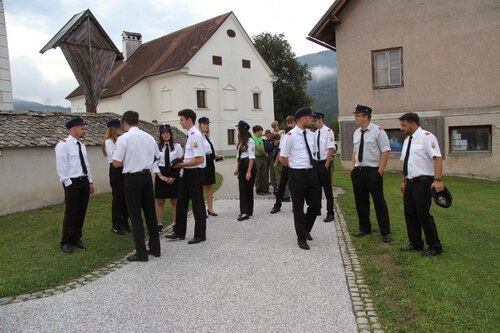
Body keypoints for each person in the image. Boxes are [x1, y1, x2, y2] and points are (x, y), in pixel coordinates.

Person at [113, 110, 161, 262]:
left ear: (125, 123)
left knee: (135, 215)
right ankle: (155, 248)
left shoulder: (123, 139)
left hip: (132, 179)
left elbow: (116, 162)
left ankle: (141, 252)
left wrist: (128, 160)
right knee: (150, 213)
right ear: (138, 122)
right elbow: (158, 156)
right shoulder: (148, 137)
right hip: (146, 177)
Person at [399, 112, 444, 256]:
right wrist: (403, 181)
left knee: (423, 214)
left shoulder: (426, 137)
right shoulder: (407, 141)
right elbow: (407, 163)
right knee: (409, 213)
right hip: (410, 182)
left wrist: (437, 180)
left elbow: (437, 158)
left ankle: (435, 246)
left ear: (413, 124)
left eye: (404, 125)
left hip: (423, 181)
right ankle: (416, 243)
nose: (401, 128)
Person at [279, 107, 321, 250]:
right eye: (310, 117)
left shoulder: (311, 134)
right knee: (298, 207)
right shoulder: (290, 135)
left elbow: (314, 152)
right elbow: (282, 158)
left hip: (311, 172)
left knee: (315, 205)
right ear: (303, 119)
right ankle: (301, 238)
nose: (312, 120)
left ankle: (305, 228)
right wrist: (294, 166)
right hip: (297, 174)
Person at [351, 104, 392, 243]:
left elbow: (385, 151)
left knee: (379, 201)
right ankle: (364, 228)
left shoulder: (378, 131)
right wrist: (354, 167)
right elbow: (355, 152)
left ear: (366, 116)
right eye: (355, 115)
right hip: (359, 171)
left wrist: (379, 172)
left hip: (373, 171)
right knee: (361, 201)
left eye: (358, 115)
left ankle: (385, 231)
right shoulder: (356, 132)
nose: (355, 117)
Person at [165, 109, 207, 244]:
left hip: (194, 173)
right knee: (181, 202)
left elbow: (199, 159)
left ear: (189, 120)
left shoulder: (195, 135)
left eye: (182, 119)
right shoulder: (190, 134)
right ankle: (179, 231)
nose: (180, 122)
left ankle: (200, 234)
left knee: (197, 204)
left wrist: (182, 164)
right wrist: (181, 160)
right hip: (188, 172)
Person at [55, 116, 94, 254]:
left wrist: (90, 181)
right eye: (82, 128)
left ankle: (76, 238)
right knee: (71, 213)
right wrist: (68, 183)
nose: (84, 131)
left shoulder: (81, 145)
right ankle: (65, 241)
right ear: (74, 129)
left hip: (83, 181)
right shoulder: (63, 145)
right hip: (72, 183)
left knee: (81, 212)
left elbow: (86, 165)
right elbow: (61, 167)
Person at [153, 124, 183, 233]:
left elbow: (180, 163)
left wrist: (174, 177)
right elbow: (154, 163)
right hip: (161, 174)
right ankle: (159, 224)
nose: (165, 135)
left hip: (173, 173)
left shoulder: (177, 147)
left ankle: (176, 223)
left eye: (167, 132)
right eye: (163, 133)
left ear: (171, 133)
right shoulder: (156, 147)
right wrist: (160, 176)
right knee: (160, 200)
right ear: (160, 134)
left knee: (174, 200)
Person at [102, 118, 130, 235]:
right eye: (119, 128)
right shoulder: (108, 141)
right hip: (116, 169)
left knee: (126, 197)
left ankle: (125, 222)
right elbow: (116, 157)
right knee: (118, 198)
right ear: (113, 129)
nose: (121, 130)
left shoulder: (121, 140)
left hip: (124, 168)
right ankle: (116, 224)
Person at [312, 112, 336, 222]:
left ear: (321, 119)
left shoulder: (328, 132)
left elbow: (331, 149)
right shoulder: (316, 133)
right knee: (316, 188)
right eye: (313, 120)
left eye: (315, 120)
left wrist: (326, 164)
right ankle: (317, 208)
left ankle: (330, 212)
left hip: (324, 163)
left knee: (327, 189)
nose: (314, 122)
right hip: (316, 162)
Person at [270, 116, 295, 214]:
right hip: (286, 163)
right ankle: (277, 205)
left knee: (294, 186)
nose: (289, 125)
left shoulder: (298, 134)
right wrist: (280, 161)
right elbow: (281, 150)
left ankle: (295, 206)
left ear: (294, 123)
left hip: (294, 163)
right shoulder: (284, 135)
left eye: (291, 123)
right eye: (287, 123)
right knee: (281, 184)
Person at [234, 120, 256, 221]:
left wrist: (248, 171)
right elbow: (239, 156)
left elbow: (251, 157)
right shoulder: (241, 141)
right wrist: (237, 169)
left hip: (248, 165)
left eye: (239, 128)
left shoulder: (250, 141)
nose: (237, 130)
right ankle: (245, 211)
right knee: (242, 189)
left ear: (243, 130)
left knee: (248, 189)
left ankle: (246, 211)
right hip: (242, 165)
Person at [198, 116, 220, 217]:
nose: (206, 126)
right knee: (201, 186)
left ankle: (210, 208)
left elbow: (210, 150)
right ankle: (202, 209)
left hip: (210, 161)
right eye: (204, 124)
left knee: (209, 186)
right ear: (200, 125)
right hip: (202, 162)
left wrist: (216, 156)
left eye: (207, 124)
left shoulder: (208, 137)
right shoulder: (198, 137)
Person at [252, 125, 270, 195]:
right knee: (258, 173)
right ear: (256, 131)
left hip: (263, 157)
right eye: (260, 131)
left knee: (265, 173)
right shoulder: (254, 138)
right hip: (258, 157)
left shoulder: (259, 137)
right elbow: (259, 148)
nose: (261, 132)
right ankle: (258, 189)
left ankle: (265, 189)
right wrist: (265, 153)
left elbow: (263, 135)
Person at [264, 129, 278, 194]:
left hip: (272, 156)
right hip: (266, 156)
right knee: (265, 172)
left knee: (272, 172)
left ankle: (275, 186)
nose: (268, 135)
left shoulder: (273, 141)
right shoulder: (264, 141)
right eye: (266, 134)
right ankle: (266, 186)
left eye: (269, 133)